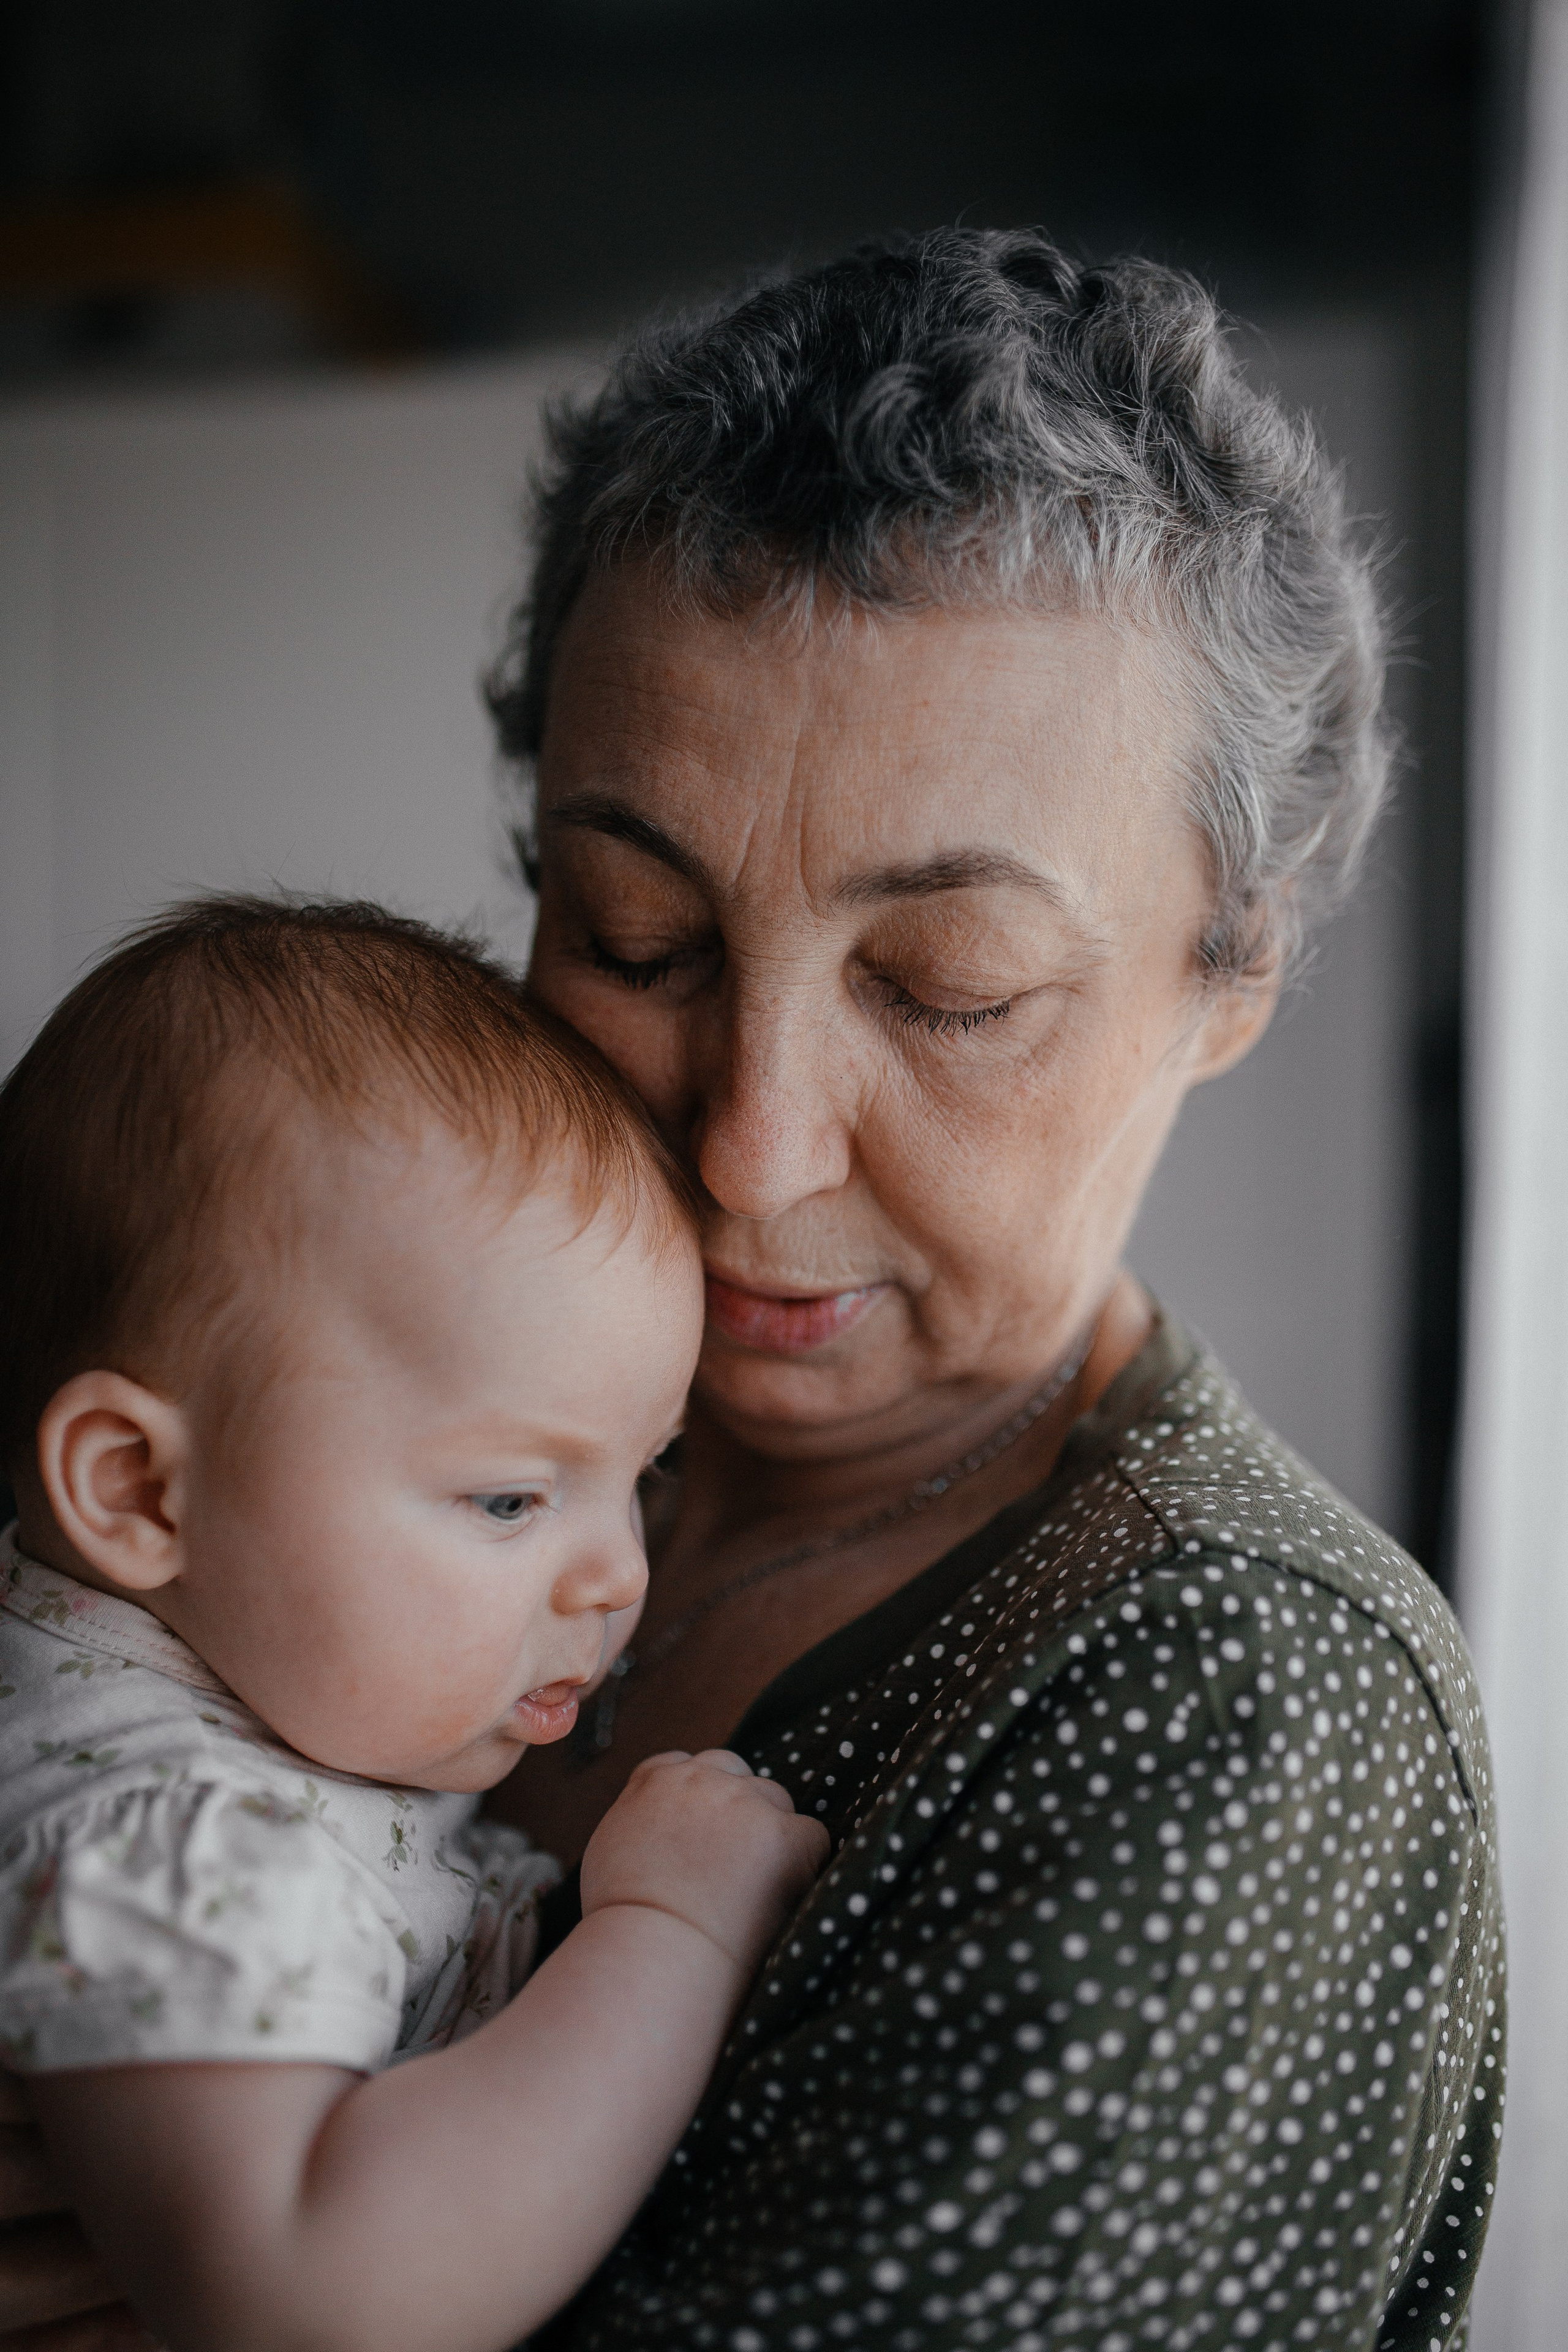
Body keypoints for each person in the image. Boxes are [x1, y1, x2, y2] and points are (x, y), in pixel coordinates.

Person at [0, 228, 1503, 2352]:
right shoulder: (354, 1388)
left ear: (1228, 973)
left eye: (948, 988)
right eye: (633, 938)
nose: (747, 1148)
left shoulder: (1236, 1712)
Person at [0, 899, 827, 2352]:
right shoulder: (175, 1838)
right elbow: (324, 2300)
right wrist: (672, 1931)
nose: (616, 1576)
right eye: (510, 1500)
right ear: (136, 1491)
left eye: (639, 1479)